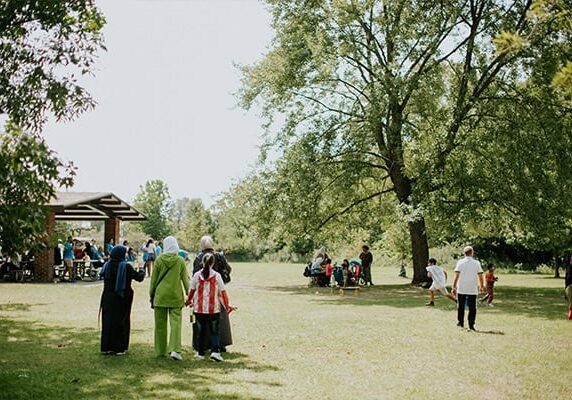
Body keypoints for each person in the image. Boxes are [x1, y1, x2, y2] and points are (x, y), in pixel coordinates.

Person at [186, 252, 235, 362]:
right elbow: (223, 293)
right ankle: (215, 352)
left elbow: (192, 291)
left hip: (199, 309)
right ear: (212, 263)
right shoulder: (217, 276)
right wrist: (227, 306)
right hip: (214, 309)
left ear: (202, 262)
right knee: (215, 332)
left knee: (201, 331)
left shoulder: (196, 275)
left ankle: (201, 353)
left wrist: (188, 301)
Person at [149, 236, 189, 361]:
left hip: (160, 296)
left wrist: (151, 295)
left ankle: (160, 351)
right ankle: (175, 350)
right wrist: (190, 295)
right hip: (176, 296)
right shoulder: (180, 260)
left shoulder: (159, 260)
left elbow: (153, 280)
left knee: (160, 324)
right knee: (176, 324)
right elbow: (185, 280)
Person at [99, 246, 145, 355]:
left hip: (107, 296)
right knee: (121, 320)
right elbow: (139, 278)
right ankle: (119, 347)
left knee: (108, 321)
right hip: (122, 297)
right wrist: (142, 269)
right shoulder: (126, 266)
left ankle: (107, 346)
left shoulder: (107, 266)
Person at [193, 235, 233, 352]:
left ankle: (203, 345)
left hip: (202, 294)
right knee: (220, 318)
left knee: (202, 318)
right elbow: (228, 269)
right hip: (218, 290)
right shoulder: (219, 256)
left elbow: (195, 275)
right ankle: (221, 344)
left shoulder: (199, 257)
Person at [452, 246, 484, 330]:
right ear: (472, 253)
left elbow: (456, 275)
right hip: (472, 288)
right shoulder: (476, 263)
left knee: (461, 306)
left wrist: (454, 286)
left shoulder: (460, 262)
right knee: (472, 307)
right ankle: (471, 324)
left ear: (464, 253)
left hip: (462, 287)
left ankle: (460, 322)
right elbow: (480, 276)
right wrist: (481, 286)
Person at [565, 255, 572, 320]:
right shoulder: (568, 267)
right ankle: (570, 315)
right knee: (570, 302)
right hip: (569, 286)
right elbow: (567, 279)